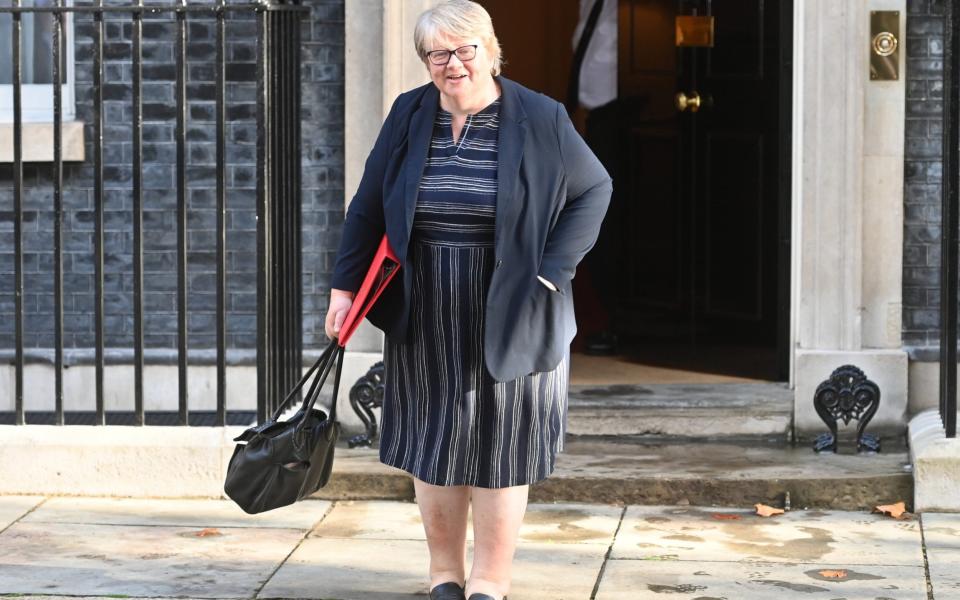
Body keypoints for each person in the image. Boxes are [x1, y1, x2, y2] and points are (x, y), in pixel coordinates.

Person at [324, 2, 611, 599]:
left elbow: (595, 190)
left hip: (515, 305)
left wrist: (553, 273)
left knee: (501, 446)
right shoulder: (409, 113)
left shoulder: (539, 115)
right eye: (438, 54)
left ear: (489, 50)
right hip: (426, 303)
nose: (452, 64)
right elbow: (368, 205)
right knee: (435, 443)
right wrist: (344, 289)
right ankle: (444, 576)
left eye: (464, 50)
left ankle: (490, 581)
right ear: (425, 62)